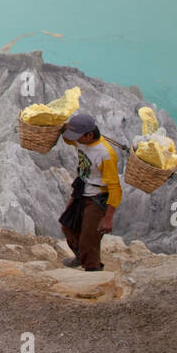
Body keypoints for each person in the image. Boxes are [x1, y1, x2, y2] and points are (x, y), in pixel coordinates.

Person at [57, 111, 121, 271]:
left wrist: (108, 218)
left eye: (77, 135)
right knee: (68, 226)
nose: (74, 139)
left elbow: (115, 187)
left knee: (89, 239)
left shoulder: (106, 154)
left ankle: (93, 270)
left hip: (97, 197)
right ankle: (80, 256)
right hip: (82, 189)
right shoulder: (81, 140)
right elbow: (67, 138)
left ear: (89, 135)